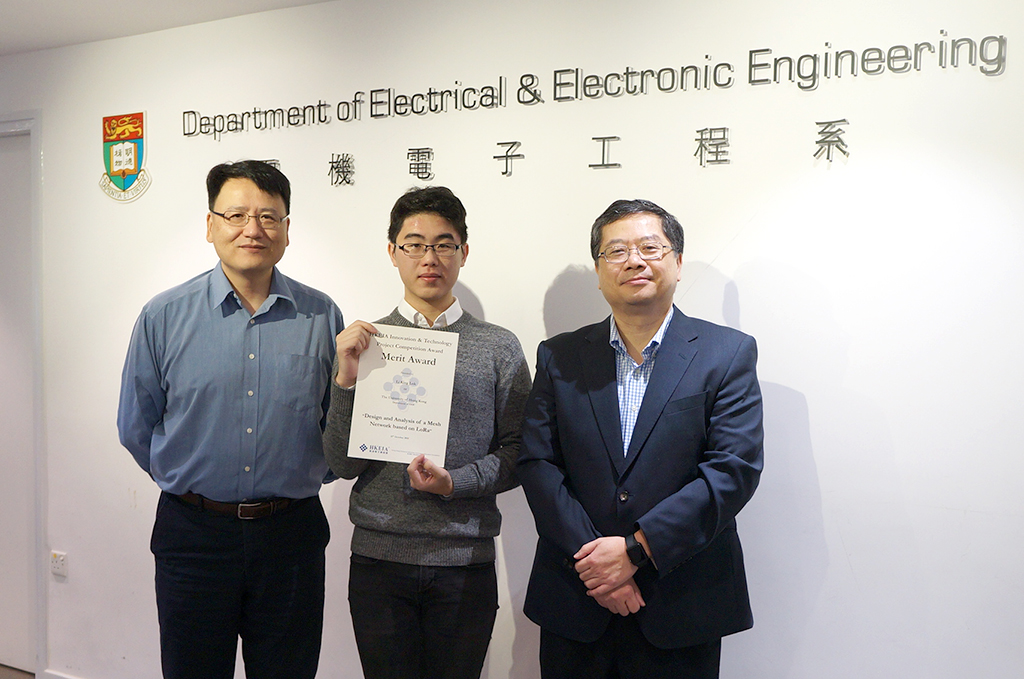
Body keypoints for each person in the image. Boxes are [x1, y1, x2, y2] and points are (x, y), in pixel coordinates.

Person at [517, 199, 764, 679]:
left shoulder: (727, 353)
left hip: (682, 601)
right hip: (578, 597)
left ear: (677, 261)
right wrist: (598, 564)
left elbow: (732, 471)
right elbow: (537, 463)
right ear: (599, 271)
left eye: (650, 247)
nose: (634, 261)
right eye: (617, 251)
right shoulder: (559, 356)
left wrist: (636, 550)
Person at [117, 160, 344, 679]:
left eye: (268, 216)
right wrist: (188, 481)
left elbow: (335, 421)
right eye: (236, 215)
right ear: (210, 225)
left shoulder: (321, 316)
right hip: (193, 534)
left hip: (291, 535)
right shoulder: (164, 316)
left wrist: (311, 473)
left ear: (286, 228)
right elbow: (135, 424)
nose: (252, 229)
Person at [323, 186, 531, 679]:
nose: (429, 257)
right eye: (414, 244)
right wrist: (346, 380)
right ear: (392, 251)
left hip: (464, 560)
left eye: (444, 244)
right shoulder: (365, 342)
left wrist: (455, 482)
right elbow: (341, 464)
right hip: (378, 559)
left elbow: (520, 452)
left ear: (464, 252)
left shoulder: (499, 347)